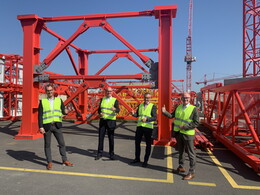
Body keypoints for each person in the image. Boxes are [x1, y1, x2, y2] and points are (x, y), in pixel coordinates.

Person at [162, 92, 199, 180]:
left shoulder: (193, 109)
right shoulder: (178, 107)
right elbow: (171, 116)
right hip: (179, 133)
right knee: (181, 151)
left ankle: (192, 172)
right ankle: (181, 167)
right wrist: (164, 112)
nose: (185, 99)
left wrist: (185, 127)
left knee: (191, 153)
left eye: (187, 98)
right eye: (183, 98)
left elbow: (196, 122)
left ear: (190, 99)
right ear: (181, 99)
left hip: (188, 134)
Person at [38, 84, 73, 170]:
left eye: (51, 90)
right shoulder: (43, 102)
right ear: (46, 92)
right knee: (47, 145)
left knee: (62, 143)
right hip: (47, 126)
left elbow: (63, 111)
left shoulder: (59, 100)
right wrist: (41, 127)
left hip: (57, 125)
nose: (50, 92)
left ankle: (65, 160)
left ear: (53, 91)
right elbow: (40, 115)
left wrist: (66, 112)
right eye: (48, 90)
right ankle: (49, 162)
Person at [131, 92, 157, 167]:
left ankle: (145, 161)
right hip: (139, 126)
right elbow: (138, 114)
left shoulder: (153, 106)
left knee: (148, 145)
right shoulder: (141, 105)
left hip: (148, 128)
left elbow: (155, 117)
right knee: (137, 143)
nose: (146, 99)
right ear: (143, 98)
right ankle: (137, 158)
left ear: (150, 98)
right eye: (145, 97)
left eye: (148, 98)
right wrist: (133, 114)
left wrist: (147, 119)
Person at [95, 87, 120, 160]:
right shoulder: (102, 99)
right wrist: (100, 113)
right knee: (100, 138)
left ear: (112, 92)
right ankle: (99, 153)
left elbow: (118, 110)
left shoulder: (115, 100)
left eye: (110, 91)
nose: (109, 92)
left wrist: (115, 109)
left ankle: (111, 154)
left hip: (111, 121)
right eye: (107, 91)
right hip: (103, 121)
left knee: (111, 138)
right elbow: (99, 109)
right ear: (105, 92)